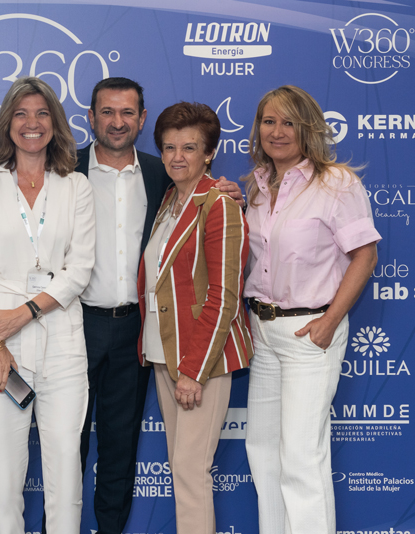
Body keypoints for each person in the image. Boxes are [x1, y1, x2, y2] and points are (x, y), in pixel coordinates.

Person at [0, 77, 245, 533]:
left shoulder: (162, 173)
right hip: (75, 323)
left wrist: (228, 192)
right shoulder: (66, 168)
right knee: (62, 453)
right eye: (107, 112)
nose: (117, 122)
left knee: (119, 446)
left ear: (141, 119)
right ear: (90, 118)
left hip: (133, 329)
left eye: (127, 112)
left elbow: (200, 201)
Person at [0, 76, 95, 534]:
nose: (31, 123)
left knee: (66, 478)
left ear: (55, 124)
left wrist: (24, 313)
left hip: (61, 346)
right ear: (7, 123)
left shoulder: (76, 186)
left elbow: (80, 269)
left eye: (41, 113)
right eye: (20, 114)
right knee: (3, 485)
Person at [243, 85, 379, 534]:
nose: (277, 131)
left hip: (309, 332)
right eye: (269, 121)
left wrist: (330, 321)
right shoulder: (258, 186)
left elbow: (365, 256)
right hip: (262, 332)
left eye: (289, 123)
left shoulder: (336, 183)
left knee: (302, 456)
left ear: (309, 129)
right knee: (263, 450)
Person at [137, 102, 252, 534]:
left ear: (209, 153)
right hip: (164, 352)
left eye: (189, 147)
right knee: (182, 467)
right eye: (169, 147)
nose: (177, 157)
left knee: (189, 470)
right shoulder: (170, 199)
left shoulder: (219, 204)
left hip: (202, 360)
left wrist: (194, 371)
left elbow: (224, 297)